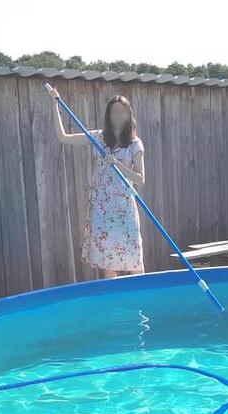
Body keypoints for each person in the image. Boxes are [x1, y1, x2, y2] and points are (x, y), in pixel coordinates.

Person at [47, 88, 147, 278]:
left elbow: (140, 179)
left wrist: (116, 163)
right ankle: (115, 303)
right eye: (114, 111)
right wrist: (55, 104)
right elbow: (63, 137)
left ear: (129, 115)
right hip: (101, 207)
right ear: (108, 115)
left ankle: (139, 301)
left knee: (134, 258)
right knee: (106, 260)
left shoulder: (135, 144)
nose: (118, 115)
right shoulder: (98, 137)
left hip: (124, 208)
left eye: (122, 111)